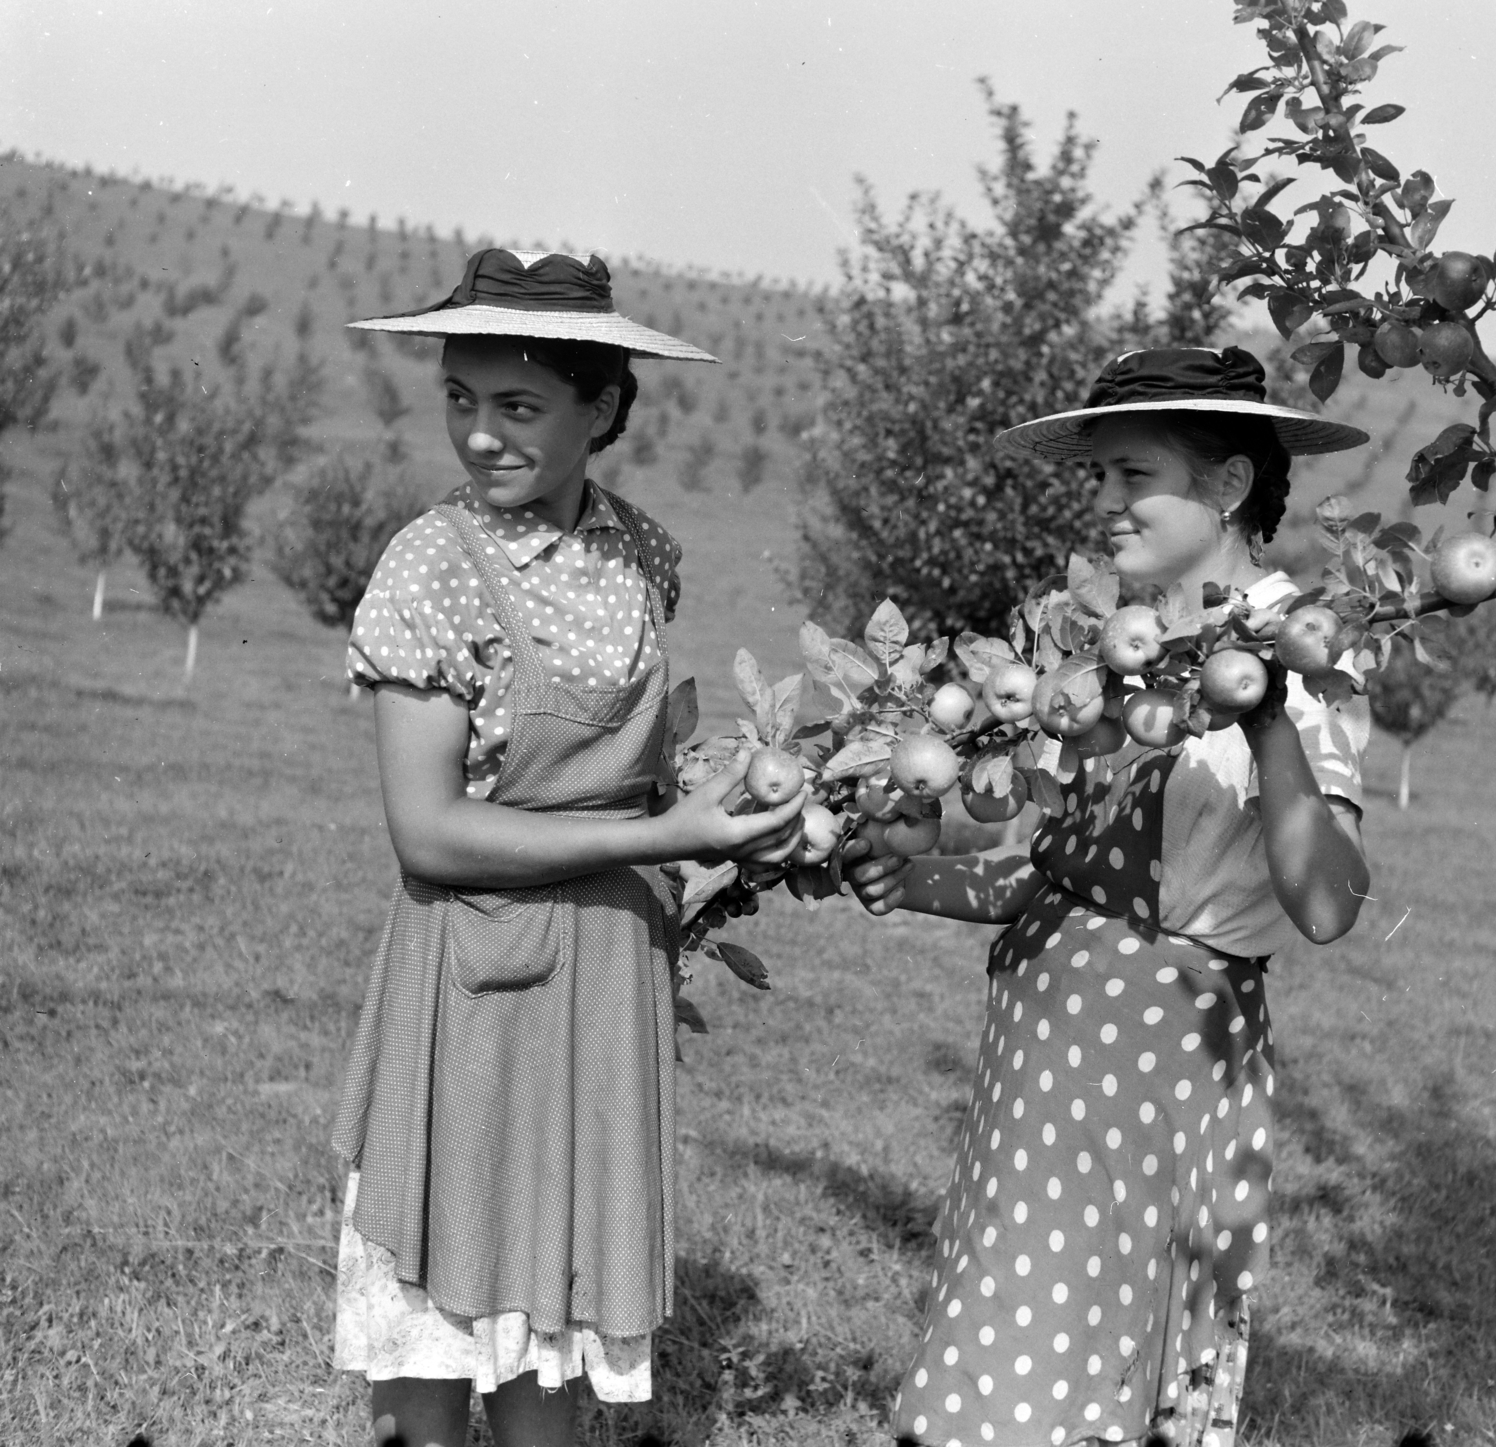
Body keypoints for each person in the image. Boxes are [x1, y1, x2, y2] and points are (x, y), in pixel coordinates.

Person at [846, 346, 1373, 1447]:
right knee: (1013, 1325)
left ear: (1228, 485)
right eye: (1099, 476)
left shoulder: (1293, 657)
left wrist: (1266, 717)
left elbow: (1327, 904)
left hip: (1149, 1065)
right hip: (1045, 1057)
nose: (1103, 502)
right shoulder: (1116, 658)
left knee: (1078, 1353)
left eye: (1133, 475)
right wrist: (916, 876)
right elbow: (1066, 876)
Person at [329, 248, 805, 1447]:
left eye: (519, 405)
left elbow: (641, 764)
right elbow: (428, 832)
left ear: (602, 411)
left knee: (557, 1303)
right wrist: (666, 833)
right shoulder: (431, 565)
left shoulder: (638, 552)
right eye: (460, 398)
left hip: (603, 975)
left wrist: (732, 808)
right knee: (440, 1308)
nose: (480, 434)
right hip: (474, 973)